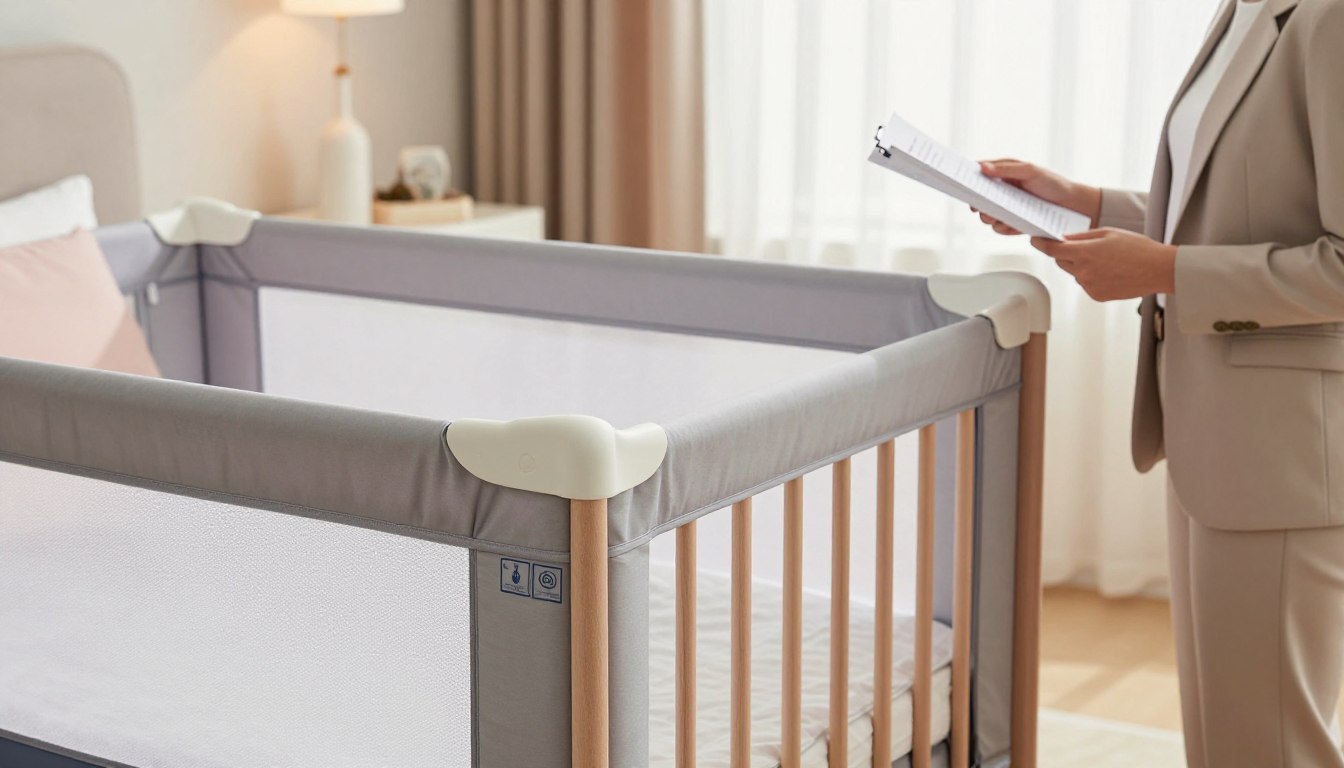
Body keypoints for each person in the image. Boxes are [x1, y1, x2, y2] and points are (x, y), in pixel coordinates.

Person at [973, 0, 1344, 765]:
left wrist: (1167, 272)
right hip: (1211, 430)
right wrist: (1081, 201)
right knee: (1226, 736)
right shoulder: (1242, 10)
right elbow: (1232, 211)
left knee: (1270, 742)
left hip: (1285, 452)